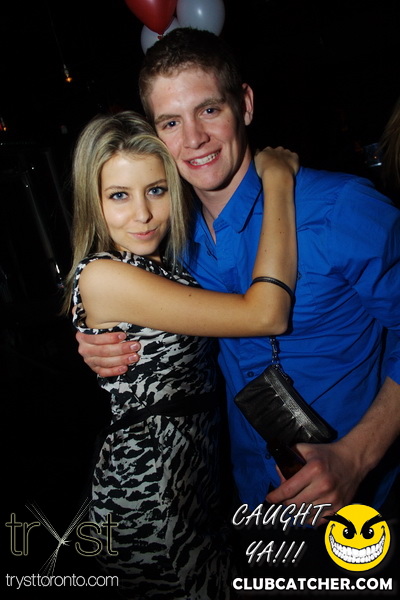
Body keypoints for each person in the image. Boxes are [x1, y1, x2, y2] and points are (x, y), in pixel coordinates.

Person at [76, 28, 400, 546]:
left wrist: (358, 455)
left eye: (209, 110)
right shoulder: (168, 241)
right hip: (244, 506)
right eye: (171, 122)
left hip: (360, 505)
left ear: (244, 104)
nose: (194, 139)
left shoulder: (340, 208)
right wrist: (102, 341)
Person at [64, 109, 299, 599]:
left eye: (155, 190)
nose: (143, 215)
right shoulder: (104, 274)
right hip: (149, 491)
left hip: (196, 479)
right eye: (119, 196)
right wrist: (278, 180)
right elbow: (265, 314)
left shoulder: (167, 264)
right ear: (93, 201)